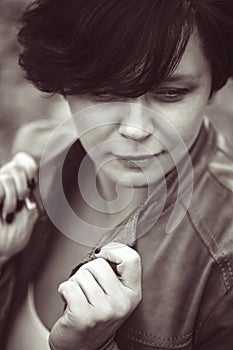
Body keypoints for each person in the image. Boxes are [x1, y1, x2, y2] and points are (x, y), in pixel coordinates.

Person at [1, 1, 233, 349]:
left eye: (170, 94)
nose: (136, 130)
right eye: (106, 92)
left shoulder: (225, 260)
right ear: (64, 83)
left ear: (215, 83)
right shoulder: (37, 155)